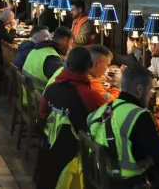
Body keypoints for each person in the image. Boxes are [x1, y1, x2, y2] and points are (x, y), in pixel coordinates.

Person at [87, 65, 159, 187]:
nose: (151, 95)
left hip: (104, 179)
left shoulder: (102, 110)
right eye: (150, 89)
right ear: (140, 89)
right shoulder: (139, 116)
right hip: (130, 183)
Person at [37, 47, 107, 189]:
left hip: (49, 152)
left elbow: (42, 113)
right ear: (90, 66)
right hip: (78, 157)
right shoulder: (89, 95)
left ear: (67, 64)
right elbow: (107, 120)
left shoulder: (52, 88)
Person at [23, 26, 74, 94]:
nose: (70, 47)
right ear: (65, 40)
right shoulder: (52, 58)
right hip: (39, 100)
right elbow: (63, 84)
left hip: (29, 96)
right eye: (71, 43)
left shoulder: (37, 49)